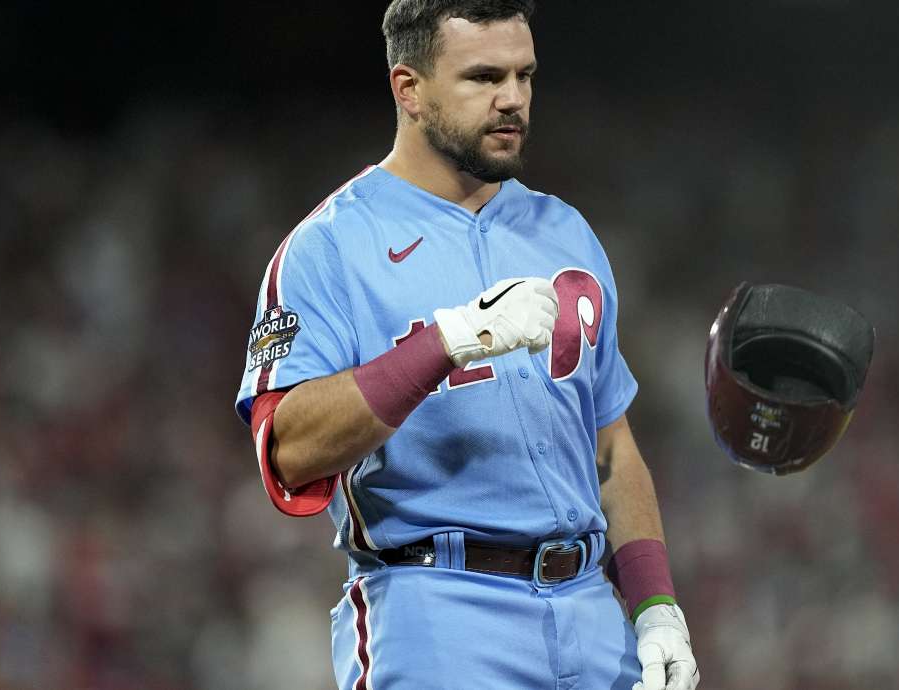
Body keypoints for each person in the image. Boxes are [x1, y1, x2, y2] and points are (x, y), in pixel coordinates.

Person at [234, 1, 699, 688]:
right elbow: (287, 453)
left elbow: (609, 446)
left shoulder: (565, 232)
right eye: (483, 77)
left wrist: (656, 604)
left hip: (591, 609)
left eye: (524, 75)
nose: (512, 99)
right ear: (408, 89)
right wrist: (443, 344)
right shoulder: (329, 247)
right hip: (436, 610)